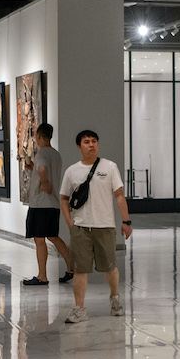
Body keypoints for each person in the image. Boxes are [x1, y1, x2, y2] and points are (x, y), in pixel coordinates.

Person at [58, 130, 132, 324]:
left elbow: (119, 195)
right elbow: (64, 198)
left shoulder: (109, 167)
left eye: (93, 141)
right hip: (81, 228)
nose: (91, 145)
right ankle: (79, 308)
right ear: (79, 147)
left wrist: (126, 221)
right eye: (86, 142)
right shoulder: (72, 171)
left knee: (109, 267)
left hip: (105, 226)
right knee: (79, 269)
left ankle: (115, 298)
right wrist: (70, 222)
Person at [23, 123, 73, 286]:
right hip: (53, 204)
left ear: (38, 136)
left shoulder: (42, 153)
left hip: (40, 204)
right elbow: (43, 169)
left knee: (39, 239)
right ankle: (71, 267)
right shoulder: (55, 154)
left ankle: (42, 275)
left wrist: (44, 183)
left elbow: (43, 169)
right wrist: (34, 169)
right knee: (53, 236)